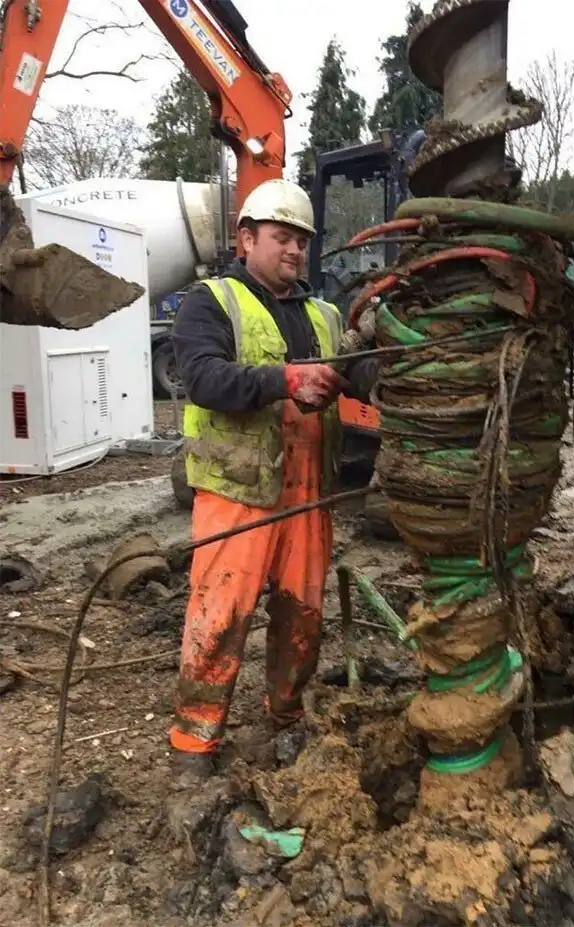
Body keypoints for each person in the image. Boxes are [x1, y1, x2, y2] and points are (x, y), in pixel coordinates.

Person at [169, 179, 377, 780]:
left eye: (302, 241)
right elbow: (204, 379)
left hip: (309, 491)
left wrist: (393, 379)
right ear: (246, 238)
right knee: (219, 616)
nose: (294, 250)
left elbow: (358, 374)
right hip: (237, 491)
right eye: (282, 237)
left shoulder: (326, 315)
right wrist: (284, 380)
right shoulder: (212, 303)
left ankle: (285, 715)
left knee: (302, 615)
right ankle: (194, 741)